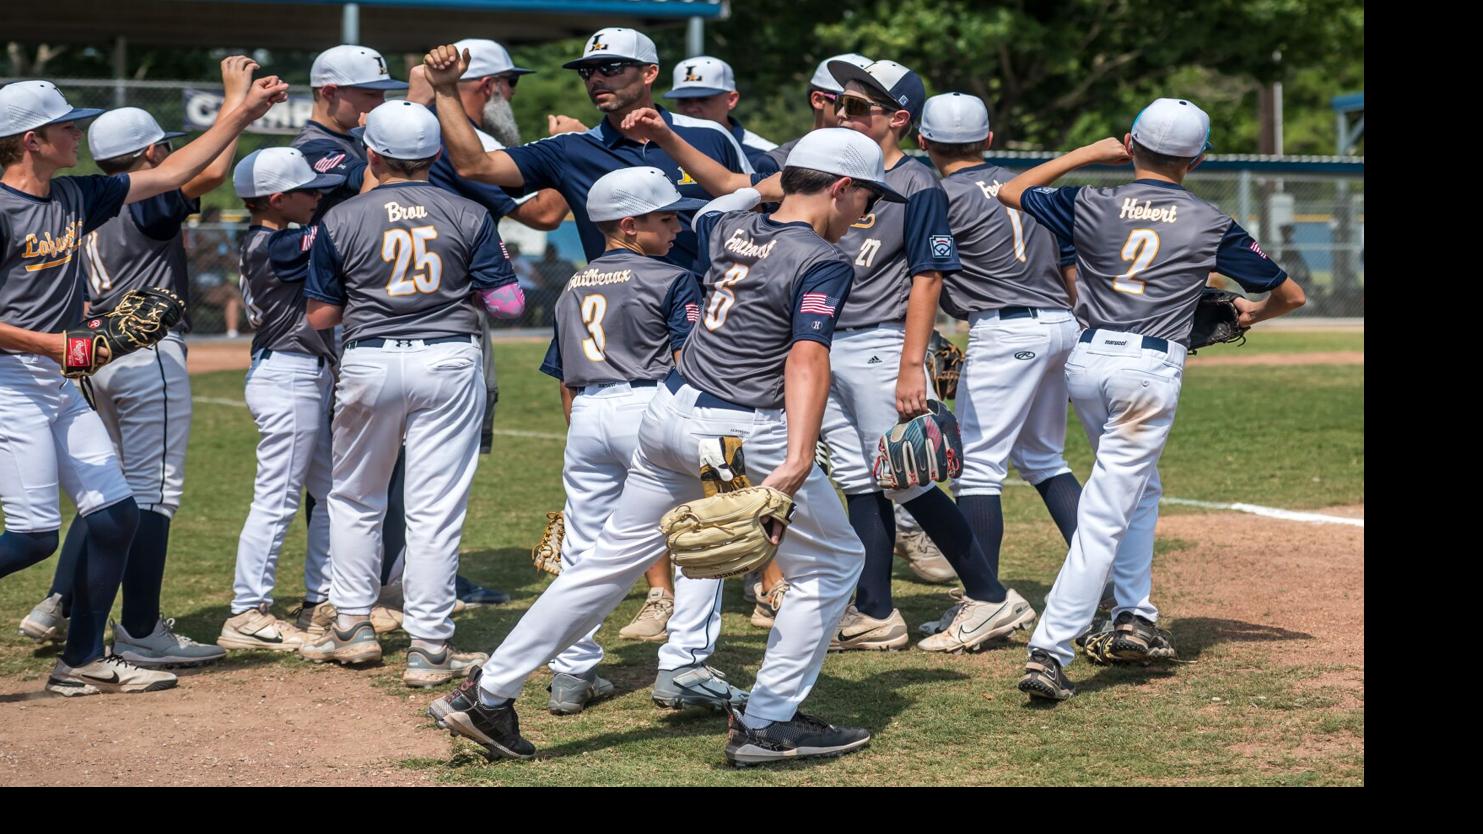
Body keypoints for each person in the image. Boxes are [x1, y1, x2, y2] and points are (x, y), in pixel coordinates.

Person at [428, 127, 893, 766]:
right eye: (865, 197)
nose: (866, 214)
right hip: (739, 428)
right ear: (841, 187)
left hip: (670, 412)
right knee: (836, 562)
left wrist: (782, 181)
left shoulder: (730, 230)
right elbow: (807, 354)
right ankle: (767, 723)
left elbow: (723, 201)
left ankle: (488, 695)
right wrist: (800, 453)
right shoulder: (822, 258)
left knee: (606, 562)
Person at [998, 98, 1307, 700]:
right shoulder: (1210, 220)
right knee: (1104, 516)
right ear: (1196, 159)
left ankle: (1133, 616)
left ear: (1133, 144)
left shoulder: (1090, 202)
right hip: (1147, 370)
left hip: (1087, 361)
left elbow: (1014, 189)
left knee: (1141, 489)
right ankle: (1049, 650)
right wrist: (1253, 310)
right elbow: (1290, 294)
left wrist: (1095, 151)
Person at [0, 70, 288, 694]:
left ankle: (79, 662)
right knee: (30, 538)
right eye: (64, 126)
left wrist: (244, 111)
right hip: (12, 378)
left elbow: (171, 172)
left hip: (66, 376)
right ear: (30, 140)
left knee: (116, 515)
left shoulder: (77, 195)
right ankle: (89, 640)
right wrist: (47, 342)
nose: (76, 132)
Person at [300, 100, 523, 687]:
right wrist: (459, 294)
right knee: (435, 510)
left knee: (352, 497)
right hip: (448, 359)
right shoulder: (468, 211)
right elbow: (508, 304)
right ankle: (428, 647)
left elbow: (321, 315)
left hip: (369, 359)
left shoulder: (340, 216)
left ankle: (351, 626)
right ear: (436, 155)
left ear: (371, 153)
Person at [529, 165, 742, 715]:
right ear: (628, 224)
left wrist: (579, 435)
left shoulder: (573, 284)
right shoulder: (671, 277)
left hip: (589, 416)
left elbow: (567, 378)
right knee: (706, 533)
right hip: (654, 406)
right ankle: (684, 664)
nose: (677, 229)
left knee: (583, 547)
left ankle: (571, 673)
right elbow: (695, 365)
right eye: (666, 218)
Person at [909, 92, 1086, 650]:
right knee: (1043, 458)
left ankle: (981, 604)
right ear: (988, 139)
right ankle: (1103, 581)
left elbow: (932, 273)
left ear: (923, 141)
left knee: (979, 469)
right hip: (1062, 322)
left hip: (1006, 330)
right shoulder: (1031, 183)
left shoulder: (937, 192)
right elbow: (1069, 266)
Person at [422, 30, 754, 270]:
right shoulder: (571, 148)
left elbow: (754, 216)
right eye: (587, 71)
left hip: (710, 315)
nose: (596, 78)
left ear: (650, 73)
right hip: (623, 318)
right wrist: (446, 90)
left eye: (610, 67)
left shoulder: (710, 137)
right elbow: (473, 166)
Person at [216, 147, 344, 651]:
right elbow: (337, 229)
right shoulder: (277, 244)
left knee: (330, 490)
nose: (317, 195)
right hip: (288, 376)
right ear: (276, 199)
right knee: (277, 498)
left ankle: (322, 598)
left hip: (300, 374)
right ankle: (247, 610)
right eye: (307, 189)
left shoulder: (278, 239)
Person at [663, 56, 779, 176]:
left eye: (703, 99)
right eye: (684, 100)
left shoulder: (766, 156)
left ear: (731, 100)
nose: (692, 108)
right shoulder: (658, 147)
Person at [763, 53, 872, 171]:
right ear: (818, 100)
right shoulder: (777, 163)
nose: (863, 114)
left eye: (867, 106)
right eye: (850, 102)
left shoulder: (877, 161)